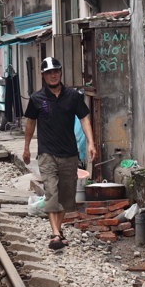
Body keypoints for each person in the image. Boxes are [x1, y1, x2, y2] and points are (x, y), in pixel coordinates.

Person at [22, 57, 96, 250]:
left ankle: (59, 231)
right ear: (43, 75)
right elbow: (30, 123)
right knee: (51, 192)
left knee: (64, 196)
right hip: (47, 153)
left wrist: (91, 143)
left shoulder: (73, 96)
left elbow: (84, 119)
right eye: (48, 72)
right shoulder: (37, 98)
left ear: (60, 72)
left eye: (55, 71)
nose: (52, 75)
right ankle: (55, 234)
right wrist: (26, 147)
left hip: (69, 153)